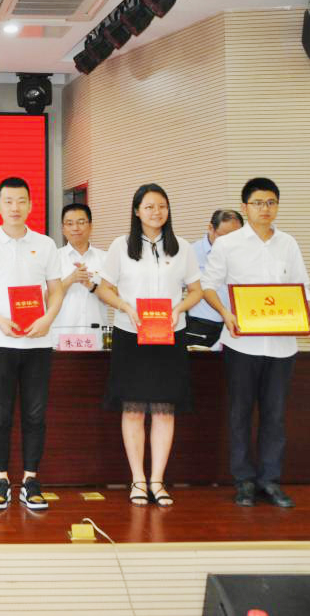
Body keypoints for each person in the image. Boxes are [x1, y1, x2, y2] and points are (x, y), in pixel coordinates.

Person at [201, 177, 310, 508]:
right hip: (242, 344)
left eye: (271, 202)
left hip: (282, 346)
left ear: (277, 206)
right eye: (258, 203)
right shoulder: (228, 244)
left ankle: (270, 480)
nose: (265, 209)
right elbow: (208, 286)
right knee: (239, 413)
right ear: (245, 207)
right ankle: (244, 481)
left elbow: (302, 287)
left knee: (275, 415)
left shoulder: (288, 243)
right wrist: (225, 313)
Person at [94, 183, 203, 508]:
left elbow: (196, 290)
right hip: (131, 334)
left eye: (162, 206)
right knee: (133, 409)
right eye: (150, 207)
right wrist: (125, 307)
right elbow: (104, 288)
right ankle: (138, 480)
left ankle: (157, 480)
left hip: (170, 335)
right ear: (136, 211)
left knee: (165, 410)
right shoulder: (120, 246)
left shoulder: (182, 248)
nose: (157, 212)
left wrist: (179, 308)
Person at [0, 177, 65, 511]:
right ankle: (1, 480)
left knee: (35, 414)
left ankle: (31, 480)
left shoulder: (46, 245)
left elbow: (56, 290)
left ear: (31, 205)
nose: (15, 207)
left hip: (38, 342)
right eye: (8, 201)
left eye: (21, 201)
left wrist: (47, 319)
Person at [185, 209, 244, 347]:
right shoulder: (191, 252)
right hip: (202, 325)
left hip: (235, 324)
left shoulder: (244, 253)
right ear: (211, 228)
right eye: (224, 237)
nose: (230, 243)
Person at [51, 203, 107, 347]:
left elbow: (113, 297)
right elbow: (46, 298)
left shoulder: (105, 258)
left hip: (96, 339)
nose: (75, 228)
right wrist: (71, 279)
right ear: (63, 229)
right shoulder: (53, 258)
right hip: (61, 338)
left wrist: (92, 286)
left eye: (81, 222)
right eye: (69, 223)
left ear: (91, 226)